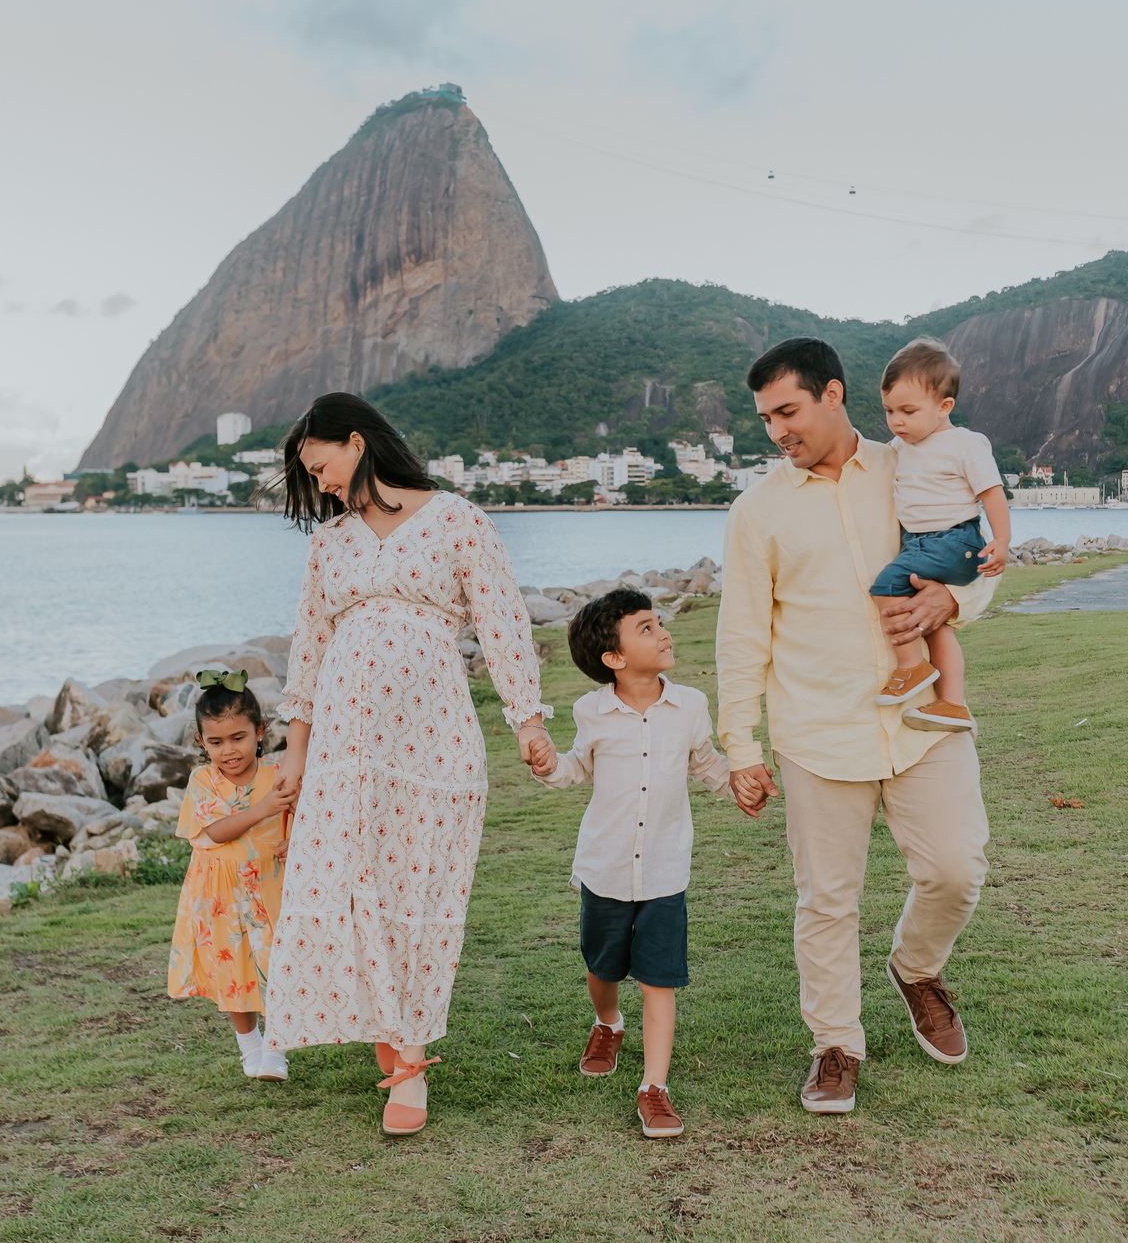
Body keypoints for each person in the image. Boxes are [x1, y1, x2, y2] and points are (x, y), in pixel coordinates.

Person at [716, 338, 998, 1115]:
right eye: (767, 417)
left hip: (922, 716)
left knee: (956, 867)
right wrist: (739, 745)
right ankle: (835, 1045)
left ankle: (915, 968)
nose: (777, 430)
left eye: (788, 410)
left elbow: (976, 558)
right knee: (827, 901)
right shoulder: (758, 510)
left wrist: (955, 602)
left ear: (833, 395)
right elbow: (741, 636)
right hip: (816, 729)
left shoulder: (916, 464)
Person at [264, 393, 549, 1137]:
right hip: (343, 747)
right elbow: (310, 645)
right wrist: (295, 747)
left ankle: (411, 1059)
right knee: (350, 884)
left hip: (430, 739)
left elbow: (501, 618)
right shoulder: (330, 543)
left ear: (356, 444)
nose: (321, 483)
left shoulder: (455, 518)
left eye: (322, 465)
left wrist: (527, 719)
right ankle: (394, 1051)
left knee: (418, 882)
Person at [525, 588, 735, 1139]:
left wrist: (741, 786)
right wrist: (547, 765)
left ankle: (654, 1087)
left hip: (666, 868)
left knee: (659, 978)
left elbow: (706, 763)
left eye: (658, 622)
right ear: (612, 660)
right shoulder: (590, 711)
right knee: (602, 967)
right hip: (606, 866)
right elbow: (575, 770)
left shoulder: (690, 704)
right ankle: (607, 1022)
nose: (663, 632)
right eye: (645, 628)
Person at [870, 338, 1010, 732]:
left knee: (885, 586)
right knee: (937, 626)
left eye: (908, 411)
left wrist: (1001, 540)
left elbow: (991, 493)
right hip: (922, 543)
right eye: (890, 411)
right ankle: (953, 704)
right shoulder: (900, 446)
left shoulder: (964, 443)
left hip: (954, 541)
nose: (896, 421)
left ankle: (911, 666)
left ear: (944, 407)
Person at [167, 671, 290, 1081]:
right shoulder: (203, 781)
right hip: (219, 897)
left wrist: (298, 840)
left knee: (278, 966)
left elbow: (302, 824)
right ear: (202, 743)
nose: (228, 750)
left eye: (238, 738)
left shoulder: (279, 779)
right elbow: (214, 833)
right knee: (234, 970)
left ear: (260, 732)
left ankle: (276, 1046)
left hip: (271, 891)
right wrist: (263, 809)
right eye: (216, 742)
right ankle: (249, 1045)